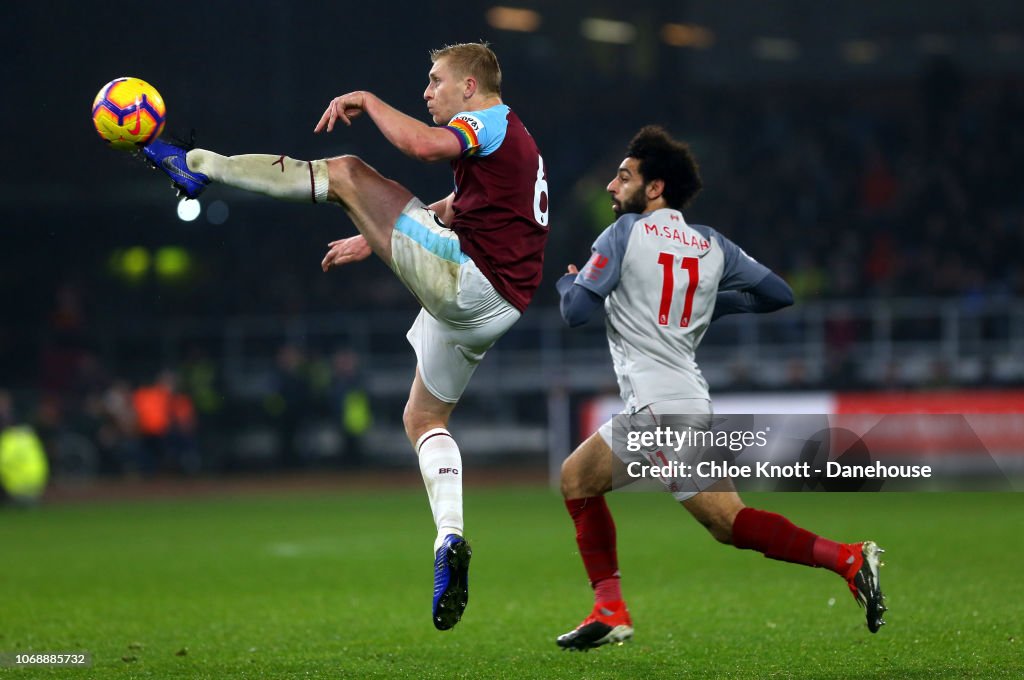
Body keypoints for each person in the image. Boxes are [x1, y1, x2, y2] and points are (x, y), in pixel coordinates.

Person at [140, 42, 549, 631]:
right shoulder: (516, 140)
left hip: (470, 278)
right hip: (499, 303)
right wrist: (372, 232)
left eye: (435, 81)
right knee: (424, 420)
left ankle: (201, 165)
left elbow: (420, 146)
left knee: (348, 172)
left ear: (468, 87)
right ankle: (450, 541)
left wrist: (368, 100)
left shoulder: (482, 118)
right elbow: (467, 203)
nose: (427, 91)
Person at [554, 125, 885, 650]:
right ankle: (609, 607)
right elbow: (778, 294)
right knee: (577, 477)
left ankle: (848, 559)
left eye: (623, 178)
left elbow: (575, 313)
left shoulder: (622, 235)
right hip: (674, 402)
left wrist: (570, 282)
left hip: (661, 411)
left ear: (655, 188)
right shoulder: (712, 244)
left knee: (729, 525)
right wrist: (712, 302)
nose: (612, 189)